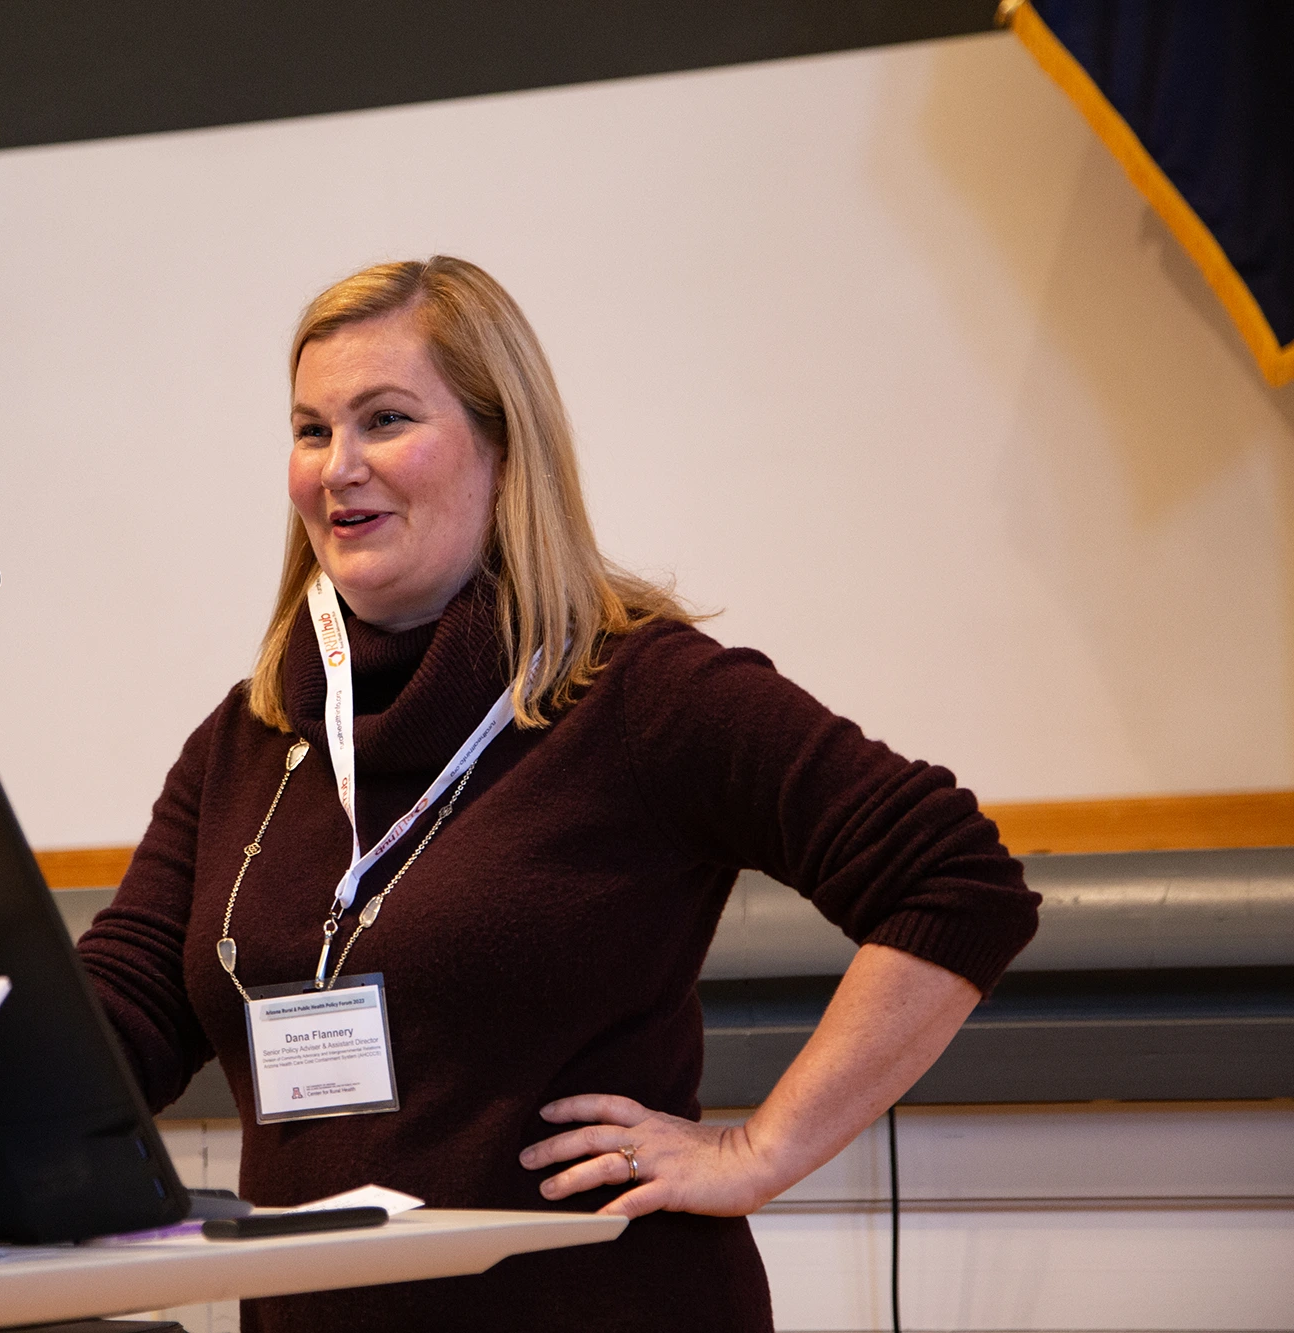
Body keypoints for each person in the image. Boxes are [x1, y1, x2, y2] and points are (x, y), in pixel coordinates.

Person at [77, 256, 1038, 1331]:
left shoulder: (639, 693)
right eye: (310, 430)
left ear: (501, 447)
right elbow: (132, 1009)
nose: (337, 467)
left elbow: (956, 880)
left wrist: (758, 1150)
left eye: (384, 420)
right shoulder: (250, 736)